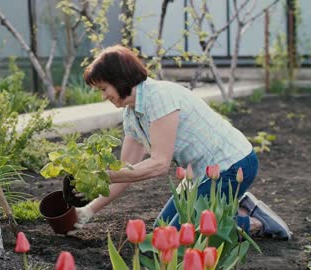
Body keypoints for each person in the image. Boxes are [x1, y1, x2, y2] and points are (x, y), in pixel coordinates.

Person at [72, 45, 291, 240]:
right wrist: (88, 210)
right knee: (163, 231)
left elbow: (159, 164)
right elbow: (124, 174)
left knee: (177, 237)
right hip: (201, 175)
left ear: (119, 79)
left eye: (103, 88)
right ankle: (239, 207)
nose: (103, 96)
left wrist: (106, 175)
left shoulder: (158, 97)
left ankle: (256, 222)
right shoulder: (132, 114)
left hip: (231, 166)